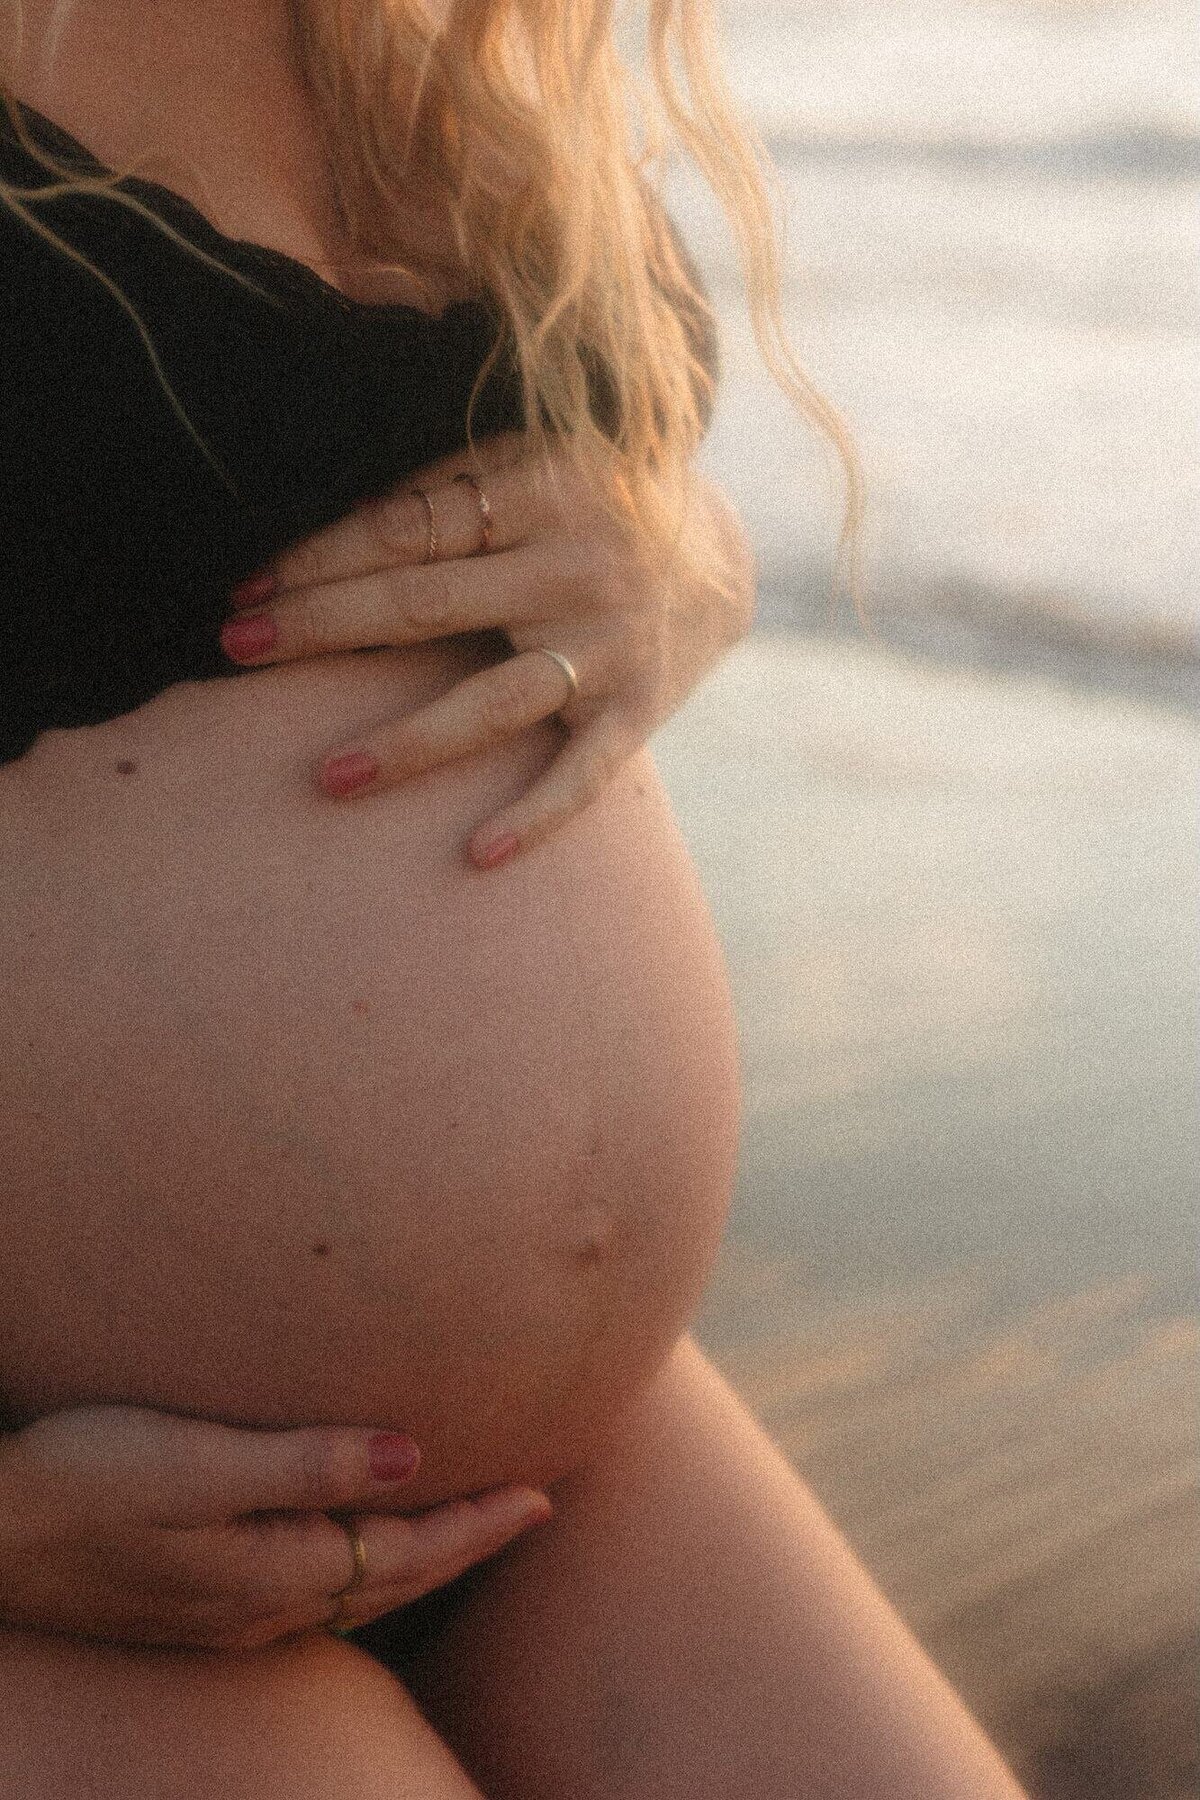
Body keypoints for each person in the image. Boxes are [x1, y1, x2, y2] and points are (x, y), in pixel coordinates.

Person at [0, 0, 1030, 1794]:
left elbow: (579, 461)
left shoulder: (426, 28)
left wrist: (675, 548)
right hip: (70, 1531)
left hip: (567, 1473)